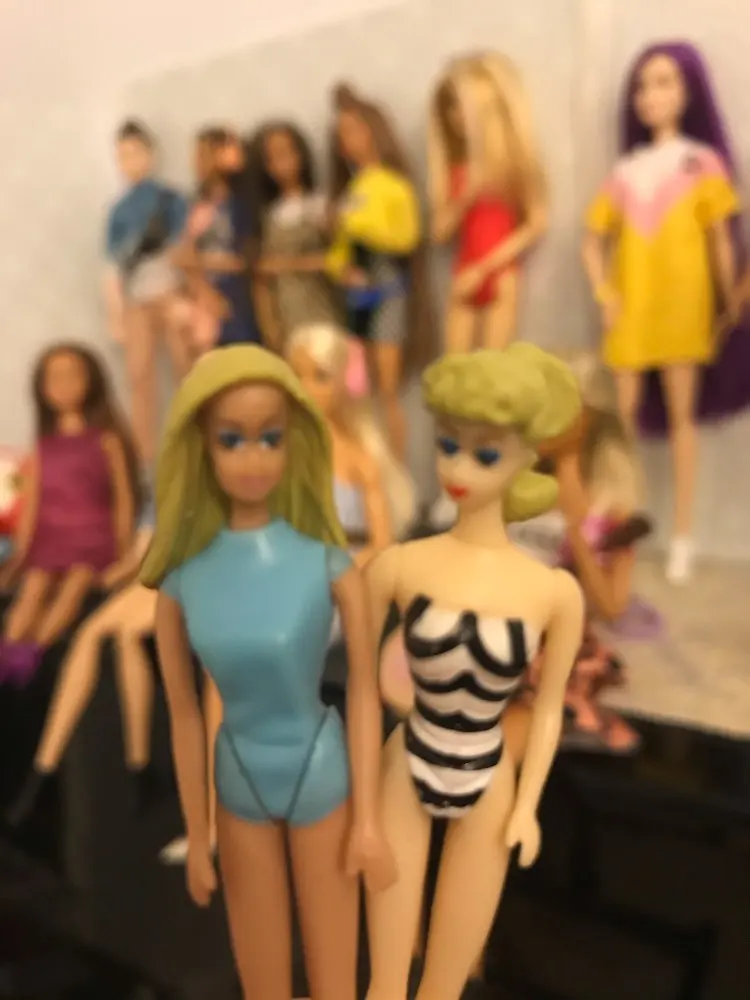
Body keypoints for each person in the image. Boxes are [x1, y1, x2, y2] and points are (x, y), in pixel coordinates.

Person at [139, 345, 393, 999]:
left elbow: (366, 693)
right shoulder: (181, 584)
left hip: (320, 771)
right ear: (202, 447)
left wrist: (368, 819)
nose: (253, 458)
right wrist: (199, 833)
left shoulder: (330, 565)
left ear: (293, 442)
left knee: (335, 978)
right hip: (238, 781)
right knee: (262, 982)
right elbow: (185, 714)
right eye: (232, 439)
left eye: (270, 438)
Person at [363, 344, 584, 1000]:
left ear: (526, 457)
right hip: (407, 763)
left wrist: (530, 806)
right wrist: (358, 800)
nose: (458, 469)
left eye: (485, 454)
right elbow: (361, 688)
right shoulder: (399, 566)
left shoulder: (552, 592)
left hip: (490, 777)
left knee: (445, 984)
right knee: (384, 981)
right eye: (448, 445)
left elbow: (548, 708)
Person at [0, 345, 140, 685]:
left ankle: (35, 651)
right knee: (33, 589)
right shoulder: (43, 446)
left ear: (91, 381)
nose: (63, 385)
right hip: (50, 540)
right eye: (54, 378)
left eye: (72, 375)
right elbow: (32, 505)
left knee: (75, 584)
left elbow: (123, 501)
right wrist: (19, 556)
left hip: (92, 540)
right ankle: (9, 652)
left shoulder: (106, 441)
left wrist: (125, 553)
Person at [103, 119, 190, 467]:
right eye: (122, 156)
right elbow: (111, 267)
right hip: (136, 300)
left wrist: (189, 297)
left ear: (151, 154)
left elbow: (186, 250)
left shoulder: (172, 199)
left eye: (135, 153)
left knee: (187, 369)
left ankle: (196, 445)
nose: (129, 162)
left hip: (171, 292)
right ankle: (144, 458)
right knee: (139, 378)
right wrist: (115, 314)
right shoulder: (118, 211)